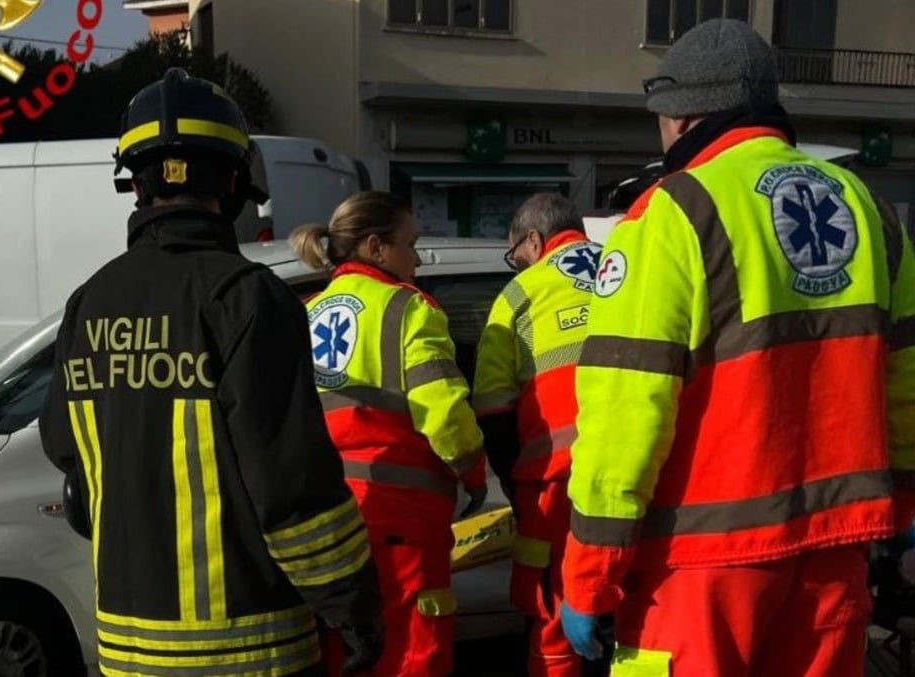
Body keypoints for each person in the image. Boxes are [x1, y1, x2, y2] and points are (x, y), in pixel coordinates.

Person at [558, 18, 915, 676]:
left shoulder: (672, 213)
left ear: (679, 115)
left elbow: (625, 411)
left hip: (699, 570)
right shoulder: (868, 207)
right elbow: (905, 383)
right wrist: (904, 507)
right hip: (836, 556)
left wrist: (589, 574)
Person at [39, 68, 385, 677]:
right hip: (253, 650)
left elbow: (71, 465)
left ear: (135, 184)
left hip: (128, 651)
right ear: (232, 181)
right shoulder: (246, 297)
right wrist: (354, 607)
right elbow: (293, 491)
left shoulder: (88, 303)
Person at [290, 191, 488, 676]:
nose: (417, 258)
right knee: (414, 648)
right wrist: (474, 471)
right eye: (410, 243)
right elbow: (441, 410)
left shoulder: (306, 312)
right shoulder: (408, 308)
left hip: (326, 514)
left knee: (348, 647)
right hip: (401, 514)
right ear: (376, 247)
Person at [472, 192, 605, 677]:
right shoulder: (627, 269)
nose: (516, 265)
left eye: (515, 254)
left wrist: (511, 480)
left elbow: (492, 403)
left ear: (534, 239)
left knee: (554, 612)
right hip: (647, 474)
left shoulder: (522, 292)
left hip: (556, 484)